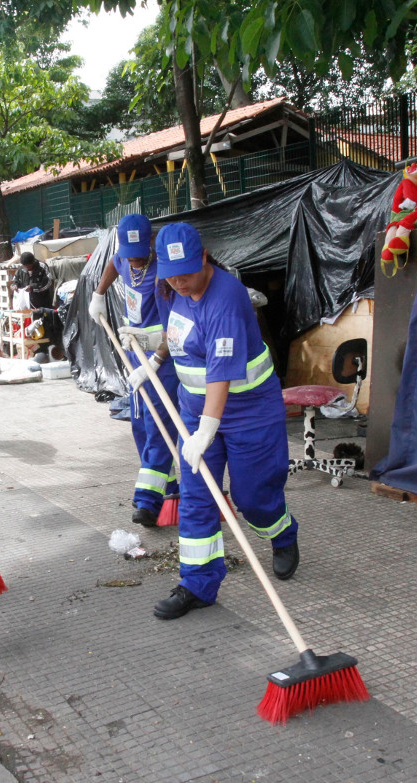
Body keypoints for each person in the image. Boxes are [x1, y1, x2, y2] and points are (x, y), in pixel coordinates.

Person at [130, 222, 299, 619]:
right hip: (194, 409)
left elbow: (221, 374)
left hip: (248, 413)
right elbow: (175, 335)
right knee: (196, 496)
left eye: (187, 273)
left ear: (204, 257)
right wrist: (154, 364)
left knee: (253, 497)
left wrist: (206, 430)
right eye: (173, 275)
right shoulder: (170, 286)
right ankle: (197, 584)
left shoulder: (227, 297)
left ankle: (282, 531)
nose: (181, 282)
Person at [89, 214, 179, 528]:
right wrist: (99, 294)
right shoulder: (125, 257)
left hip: (161, 356)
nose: (135, 259)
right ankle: (168, 486)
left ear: (150, 242)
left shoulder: (163, 272)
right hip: (133, 356)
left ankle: (147, 501)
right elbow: (114, 263)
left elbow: (174, 328)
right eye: (130, 253)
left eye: (141, 252)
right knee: (140, 425)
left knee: (158, 427)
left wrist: (156, 360)